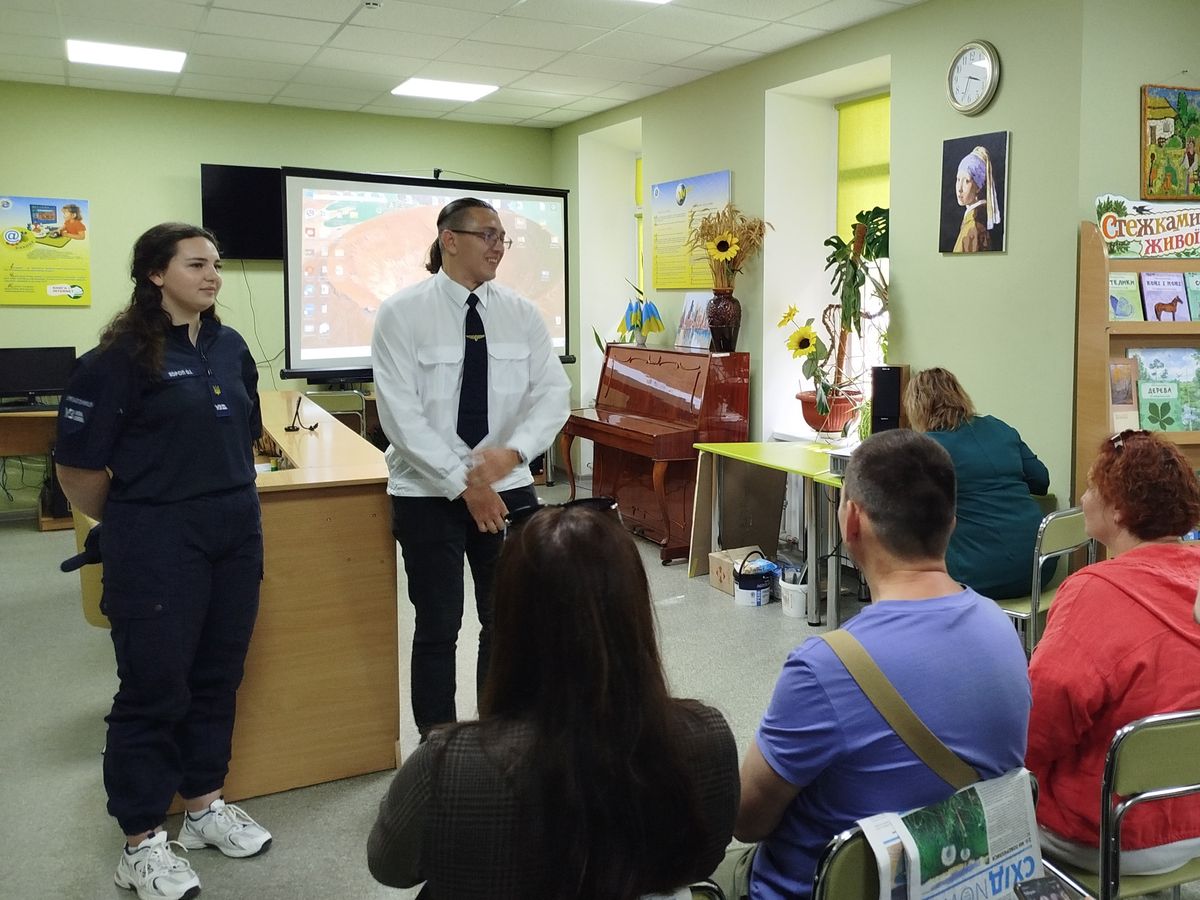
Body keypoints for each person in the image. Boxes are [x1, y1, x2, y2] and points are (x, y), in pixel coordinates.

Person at [367, 500, 739, 897]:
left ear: (508, 618)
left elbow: (389, 866)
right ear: (635, 612)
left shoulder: (447, 765)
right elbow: (706, 856)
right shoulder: (707, 738)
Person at [55, 223, 271, 900]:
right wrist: (138, 518)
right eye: (196, 264)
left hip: (235, 532)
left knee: (217, 676)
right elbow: (78, 470)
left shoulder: (230, 347)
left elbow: (245, 433)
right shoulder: (116, 359)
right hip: (156, 539)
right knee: (154, 689)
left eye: (216, 265)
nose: (213, 276)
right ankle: (141, 840)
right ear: (155, 274)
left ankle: (203, 807)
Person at [726, 430, 1030, 900]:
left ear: (851, 521)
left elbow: (747, 820)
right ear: (952, 522)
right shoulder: (1004, 630)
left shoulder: (825, 667)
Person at [371, 197, 570, 739]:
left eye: (503, 237)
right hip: (425, 491)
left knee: (508, 621)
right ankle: (438, 745)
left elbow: (553, 394)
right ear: (449, 240)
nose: (498, 246)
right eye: (488, 234)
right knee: (438, 625)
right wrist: (465, 484)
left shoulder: (521, 313)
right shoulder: (402, 313)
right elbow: (400, 415)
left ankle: (497, 737)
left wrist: (514, 452)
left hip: (509, 486)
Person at [1027, 429, 1200, 876]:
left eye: (1090, 488)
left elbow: (1039, 723)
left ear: (1118, 510)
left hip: (1109, 831)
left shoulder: (1094, 592)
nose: (1084, 499)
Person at [904, 367, 1050, 599]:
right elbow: (1041, 481)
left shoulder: (927, 448)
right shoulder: (1000, 428)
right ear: (959, 395)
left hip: (979, 574)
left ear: (916, 407)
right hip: (1040, 567)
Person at [952, 145, 1000, 252]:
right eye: (958, 179)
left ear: (978, 187)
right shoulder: (972, 220)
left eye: (967, 181)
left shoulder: (974, 225)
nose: (959, 188)